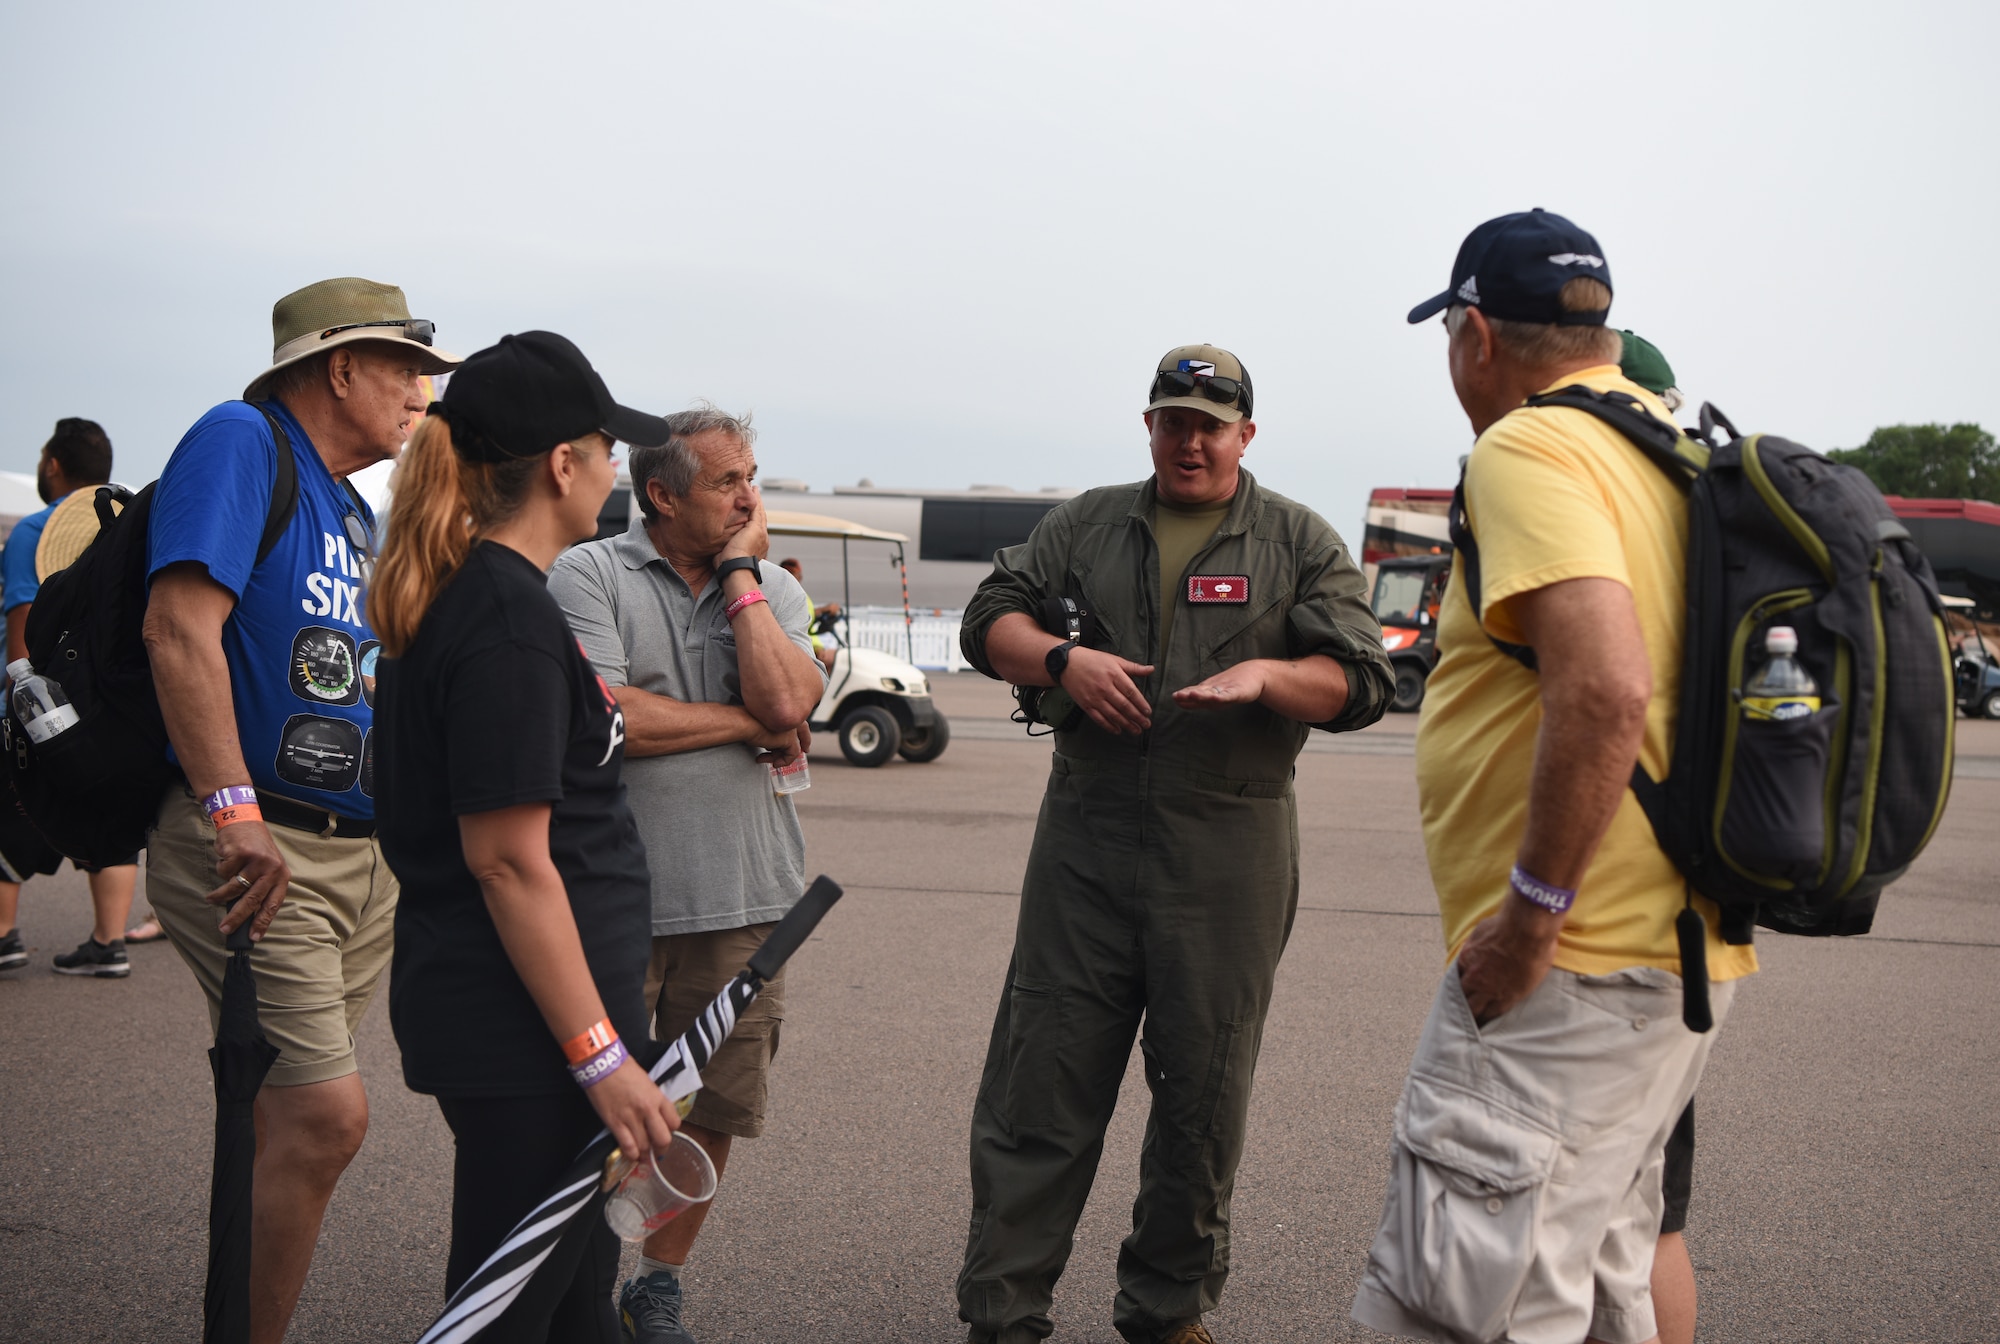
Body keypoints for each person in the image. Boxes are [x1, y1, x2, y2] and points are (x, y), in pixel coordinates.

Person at [1350, 210, 1757, 1344]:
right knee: (1595, 1294)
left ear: (1473, 333)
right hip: (1675, 949)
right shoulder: (1670, 449)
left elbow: (1604, 688)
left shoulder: (1528, 446)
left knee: (1451, 1306)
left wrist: (1528, 918)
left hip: (1566, 965)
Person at [954, 344, 1394, 1344]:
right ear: (1146, 424)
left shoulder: (1294, 541)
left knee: (1201, 1093)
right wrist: (1062, 661)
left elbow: (1363, 681)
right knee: (1041, 1081)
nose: (1189, 439)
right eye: (1171, 419)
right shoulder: (1086, 525)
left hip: (1227, 844)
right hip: (1086, 837)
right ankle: (1003, 1311)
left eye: (1209, 422)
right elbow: (989, 621)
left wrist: (1269, 682)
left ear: (1244, 432)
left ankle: (1164, 1308)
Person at [140, 277, 458, 1344]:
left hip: (357, 859)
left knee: (293, 1121)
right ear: (338, 368)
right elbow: (178, 629)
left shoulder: (356, 510)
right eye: (406, 368)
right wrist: (233, 811)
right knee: (325, 1115)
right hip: (260, 841)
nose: (421, 393)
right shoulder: (241, 441)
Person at [372, 331, 682, 1342]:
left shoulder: (489, 600)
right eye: (605, 448)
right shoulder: (502, 619)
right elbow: (505, 859)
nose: (614, 471)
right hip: (529, 1041)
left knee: (572, 1309)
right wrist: (600, 1059)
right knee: (506, 1315)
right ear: (561, 464)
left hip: (539, 1028)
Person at [549, 404, 825, 1344]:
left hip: (748, 901)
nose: (750, 495)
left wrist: (745, 574)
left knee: (714, 1107)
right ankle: (568, 1278)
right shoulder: (587, 572)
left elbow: (790, 694)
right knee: (591, 1108)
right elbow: (608, 718)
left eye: (752, 475)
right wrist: (749, 724)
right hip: (616, 903)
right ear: (660, 495)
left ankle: (656, 1282)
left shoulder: (768, 587)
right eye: (726, 482)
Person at [1617, 329, 1697, 1344]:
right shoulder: (1695, 520)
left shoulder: (1608, 520)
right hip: (1684, 920)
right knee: (1654, 1217)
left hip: (1605, 924)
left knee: (1592, 1222)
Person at [0, 417, 141, 976]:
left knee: (8, 814)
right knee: (110, 813)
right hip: (112, 708)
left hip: (46, 704)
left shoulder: (37, 529)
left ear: (53, 466)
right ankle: (109, 943)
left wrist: (19, 698)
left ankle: (5, 936)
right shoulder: (129, 524)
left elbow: (23, 630)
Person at [778, 556, 839, 669]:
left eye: (792, 573)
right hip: (795, 646)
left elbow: (805, 616)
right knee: (831, 661)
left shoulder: (800, 596)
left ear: (800, 577)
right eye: (787, 573)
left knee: (836, 657)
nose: (790, 577)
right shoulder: (781, 595)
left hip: (806, 641)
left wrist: (823, 610)